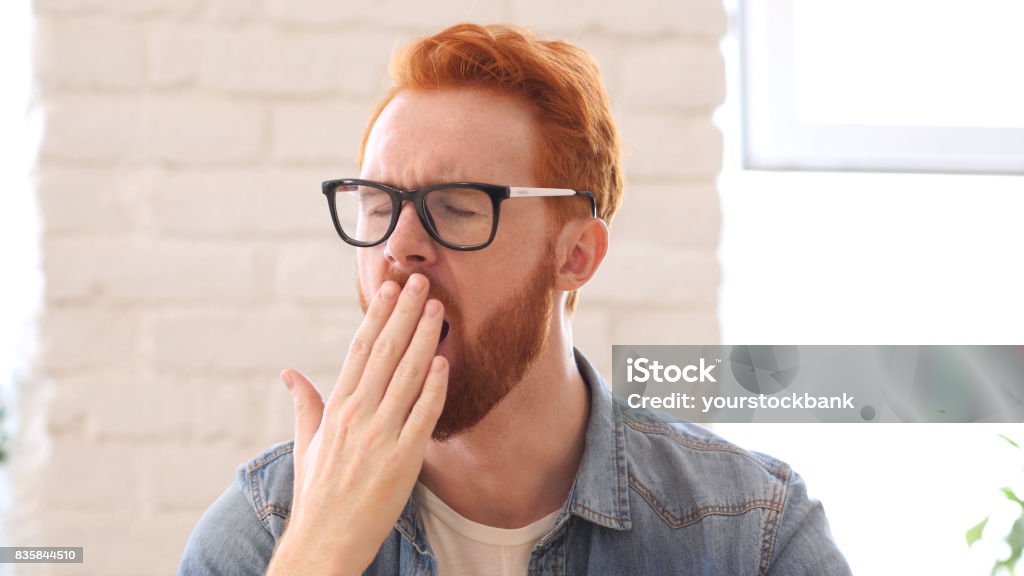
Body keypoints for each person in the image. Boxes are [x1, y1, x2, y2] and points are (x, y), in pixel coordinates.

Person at [178, 23, 851, 576]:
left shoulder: (753, 533)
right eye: (379, 203)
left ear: (576, 255)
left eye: (458, 207)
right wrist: (318, 555)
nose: (400, 247)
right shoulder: (265, 534)